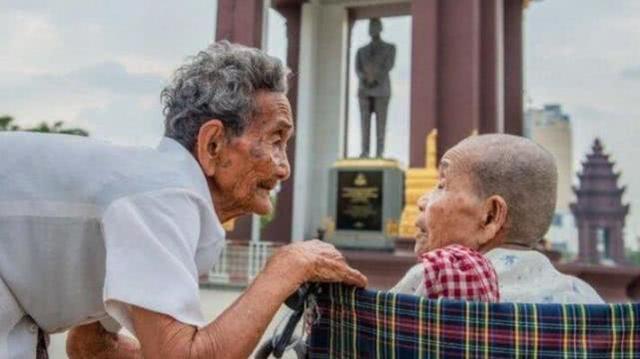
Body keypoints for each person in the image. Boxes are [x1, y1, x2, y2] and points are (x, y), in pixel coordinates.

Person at [0, 41, 367, 358]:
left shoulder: (153, 187)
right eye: (275, 140)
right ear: (213, 145)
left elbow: (91, 344)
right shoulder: (162, 196)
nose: (284, 168)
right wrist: (288, 266)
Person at [392, 134, 603, 304]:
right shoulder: (584, 298)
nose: (421, 201)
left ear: (491, 216)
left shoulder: (432, 281)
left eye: (441, 186)